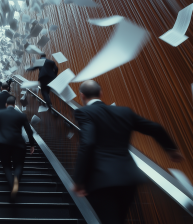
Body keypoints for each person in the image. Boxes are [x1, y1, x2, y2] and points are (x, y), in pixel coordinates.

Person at [71, 80, 184, 224]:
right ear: (100, 93)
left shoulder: (83, 112)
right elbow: (155, 127)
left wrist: (79, 180)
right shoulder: (124, 111)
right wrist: (171, 149)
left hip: (101, 180)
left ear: (81, 96)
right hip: (128, 178)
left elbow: (88, 142)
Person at [0, 96, 35, 199]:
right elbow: (29, 131)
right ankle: (16, 178)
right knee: (19, 165)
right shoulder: (22, 115)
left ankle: (12, 185)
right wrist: (32, 144)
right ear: (15, 104)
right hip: (19, 143)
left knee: (6, 166)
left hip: (3, 143)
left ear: (6, 104)